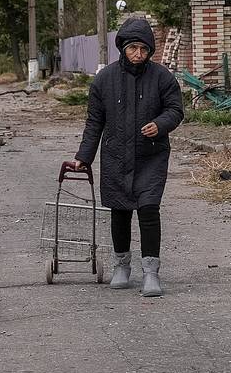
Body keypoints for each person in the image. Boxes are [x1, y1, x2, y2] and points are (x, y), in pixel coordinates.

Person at [68, 17, 184, 296]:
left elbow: (175, 110)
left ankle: (151, 273)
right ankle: (121, 266)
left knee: (148, 209)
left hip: (151, 155)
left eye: (143, 50)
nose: (138, 55)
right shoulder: (104, 80)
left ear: (150, 50)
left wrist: (161, 124)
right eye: (133, 48)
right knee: (119, 211)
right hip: (116, 155)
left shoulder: (162, 77)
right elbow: (94, 122)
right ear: (122, 47)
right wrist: (83, 156)